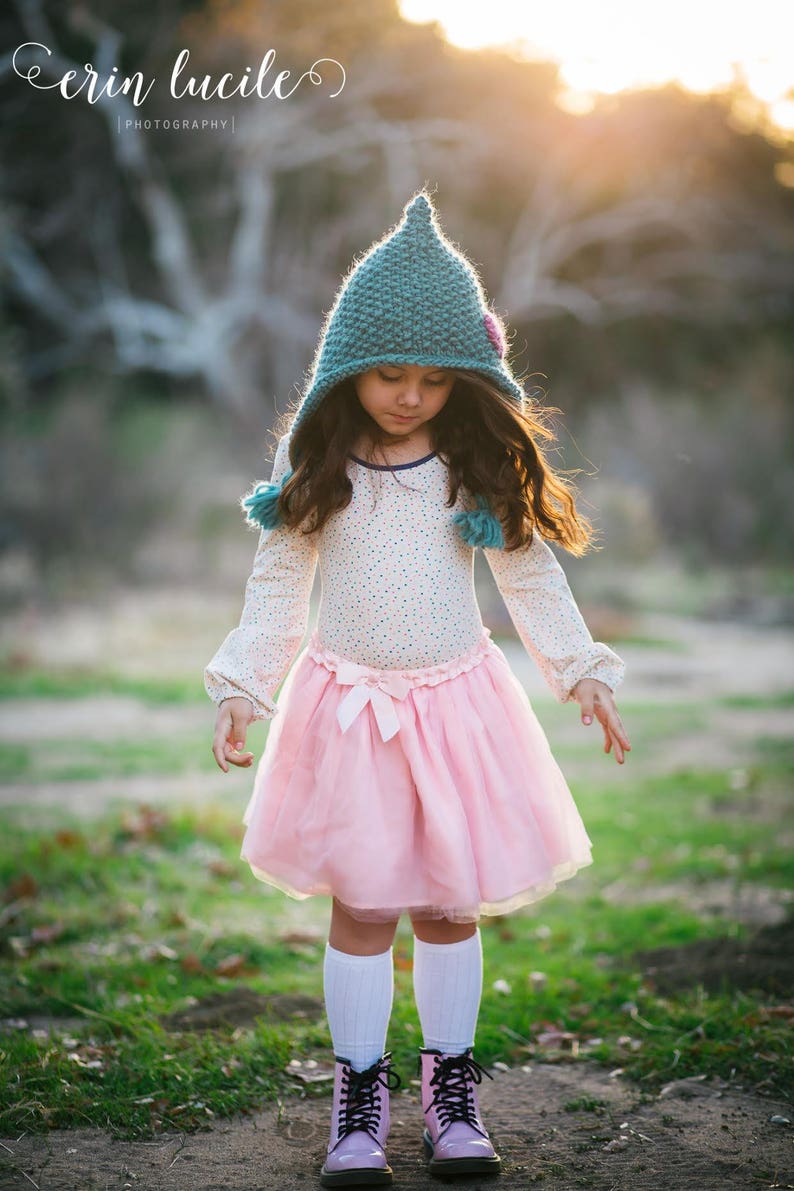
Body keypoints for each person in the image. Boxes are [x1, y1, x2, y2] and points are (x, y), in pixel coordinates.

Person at [205, 189, 631, 1187]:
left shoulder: (470, 461)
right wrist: (244, 684)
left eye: (434, 379)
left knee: (446, 906)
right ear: (346, 369)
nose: (408, 397)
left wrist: (580, 670)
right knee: (361, 906)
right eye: (389, 375)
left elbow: (529, 575)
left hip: (454, 707)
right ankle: (358, 1101)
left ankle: (452, 1094)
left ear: (464, 379)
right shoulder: (318, 466)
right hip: (346, 712)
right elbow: (278, 585)